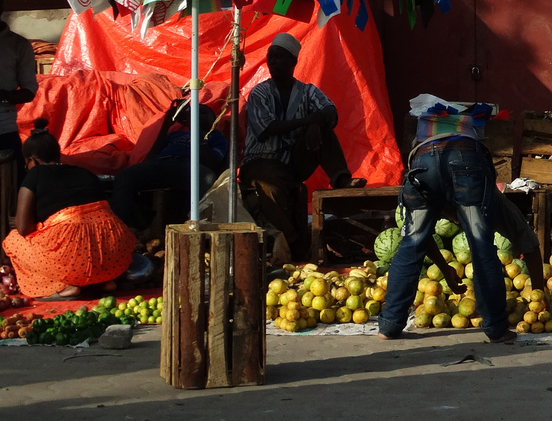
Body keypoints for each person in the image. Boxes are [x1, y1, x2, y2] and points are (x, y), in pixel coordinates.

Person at [377, 96, 514, 342]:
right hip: (467, 162)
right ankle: (496, 328)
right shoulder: (474, 120)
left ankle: (389, 325)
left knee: (412, 242)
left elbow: (423, 238)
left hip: (423, 165)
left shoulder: (424, 120)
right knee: (481, 244)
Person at [240, 33, 363, 259]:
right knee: (270, 185)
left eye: (279, 57)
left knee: (323, 128)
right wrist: (309, 121)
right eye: (270, 57)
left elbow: (330, 111)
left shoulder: (307, 91)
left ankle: (341, 178)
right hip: (261, 162)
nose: (272, 61)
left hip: (292, 162)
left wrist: (316, 123)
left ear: (293, 61)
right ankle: (293, 243)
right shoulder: (260, 92)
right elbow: (268, 128)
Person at [1, 119, 137, 299]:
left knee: (13, 241)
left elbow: (23, 227)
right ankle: (104, 282)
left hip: (72, 257)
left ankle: (62, 287)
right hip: (114, 256)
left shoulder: (35, 174)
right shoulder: (84, 172)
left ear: (31, 160)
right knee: (83, 245)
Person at [110, 95, 228, 231]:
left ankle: (195, 226)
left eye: (202, 112)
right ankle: (122, 226)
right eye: (194, 112)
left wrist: (197, 132)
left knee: (208, 179)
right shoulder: (175, 134)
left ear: (214, 120)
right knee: (125, 175)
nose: (196, 115)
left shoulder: (216, 136)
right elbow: (151, 157)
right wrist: (167, 124)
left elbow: (211, 163)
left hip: (190, 168)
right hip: (162, 164)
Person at [0, 0, 39, 163]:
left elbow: (29, 91)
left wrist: (4, 96)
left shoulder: (18, 45)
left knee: (10, 184)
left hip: (3, 130)